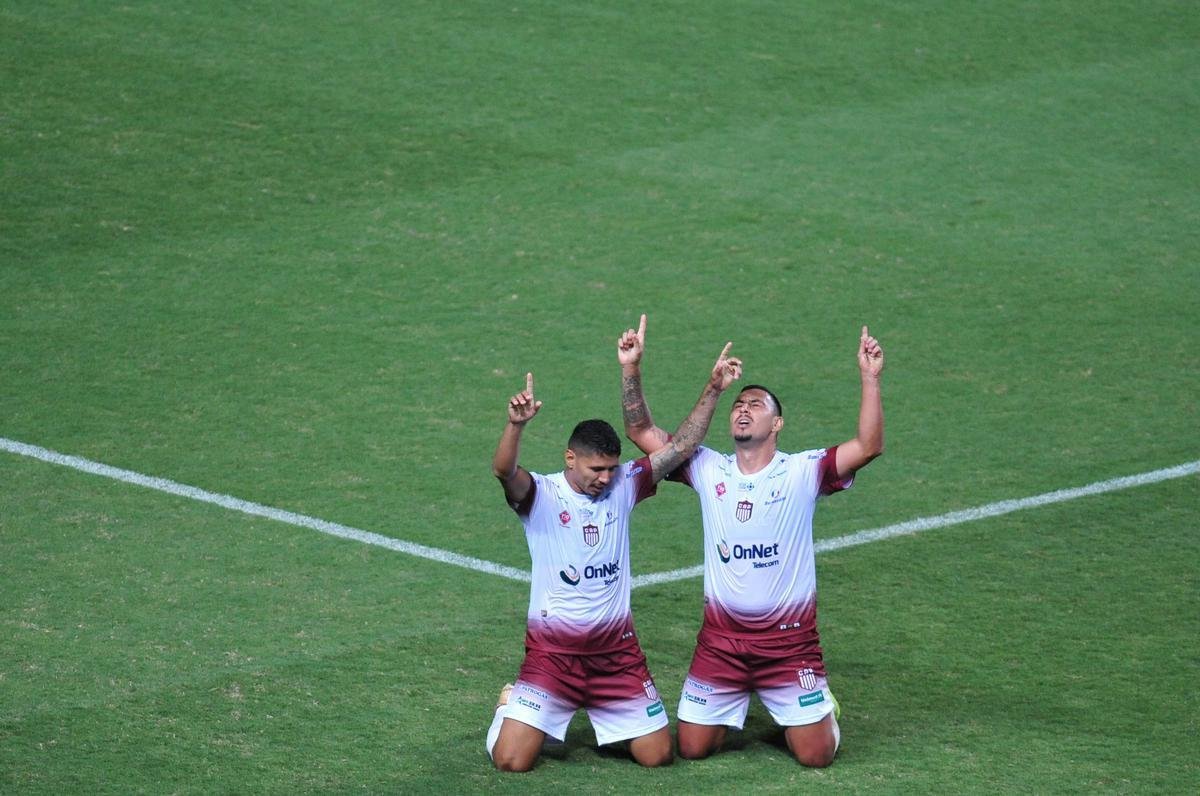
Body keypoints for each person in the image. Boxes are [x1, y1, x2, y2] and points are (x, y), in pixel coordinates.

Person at [618, 315, 884, 767]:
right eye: (738, 405)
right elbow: (642, 434)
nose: (743, 409)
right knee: (692, 748)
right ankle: (748, 705)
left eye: (756, 405)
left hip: (788, 644)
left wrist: (869, 378)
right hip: (721, 644)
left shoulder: (803, 470)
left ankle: (817, 710)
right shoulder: (707, 468)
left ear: (777, 423)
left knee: (816, 758)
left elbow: (869, 445)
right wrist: (632, 369)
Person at [486, 333, 743, 772]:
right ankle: (509, 704)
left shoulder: (625, 484)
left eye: (611, 468)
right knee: (512, 762)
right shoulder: (542, 496)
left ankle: (601, 718)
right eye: (595, 469)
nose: (606, 478)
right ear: (570, 458)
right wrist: (516, 426)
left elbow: (680, 448)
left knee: (658, 756)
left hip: (616, 658)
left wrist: (713, 388)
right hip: (553, 659)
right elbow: (504, 470)